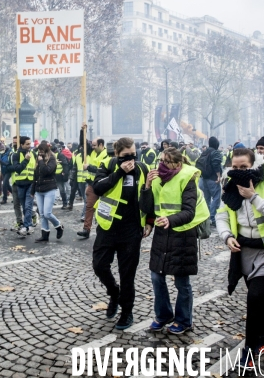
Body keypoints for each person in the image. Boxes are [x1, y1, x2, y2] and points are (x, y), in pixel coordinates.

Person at [216, 148, 264, 368]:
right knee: (258, 298)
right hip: (244, 250)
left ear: (254, 164)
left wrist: (254, 198)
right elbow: (221, 215)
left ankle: (250, 350)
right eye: (235, 167)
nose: (239, 171)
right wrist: (227, 236)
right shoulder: (229, 183)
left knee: (255, 296)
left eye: (244, 167)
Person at [140, 147, 210, 334]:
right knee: (156, 276)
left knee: (181, 282)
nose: (162, 164)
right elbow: (149, 206)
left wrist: (170, 220)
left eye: (167, 161)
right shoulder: (155, 178)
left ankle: (184, 320)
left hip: (183, 234)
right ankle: (163, 315)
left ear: (178, 164)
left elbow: (189, 211)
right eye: (161, 160)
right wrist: (146, 186)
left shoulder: (188, 179)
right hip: (162, 234)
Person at [92, 138, 153, 329]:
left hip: (132, 229)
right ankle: (114, 292)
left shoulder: (143, 168)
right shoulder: (108, 165)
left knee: (127, 274)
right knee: (100, 265)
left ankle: (127, 312)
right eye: (126, 156)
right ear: (117, 154)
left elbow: (150, 195)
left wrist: (150, 221)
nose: (131, 159)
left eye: (133, 154)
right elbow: (98, 188)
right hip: (108, 226)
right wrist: (120, 172)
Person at [31, 143, 64, 242]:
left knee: (47, 213)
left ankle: (58, 226)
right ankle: (45, 234)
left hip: (50, 188)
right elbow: (35, 176)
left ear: (46, 150)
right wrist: (33, 190)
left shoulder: (52, 159)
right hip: (39, 190)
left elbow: (47, 171)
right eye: (39, 151)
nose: (40, 153)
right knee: (41, 214)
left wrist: (41, 162)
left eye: (41, 150)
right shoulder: (39, 159)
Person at [79, 130, 109, 239]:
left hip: (104, 185)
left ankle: (104, 230)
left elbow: (102, 170)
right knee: (89, 206)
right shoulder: (91, 152)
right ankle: (86, 229)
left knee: (105, 208)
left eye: (95, 145)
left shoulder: (107, 155)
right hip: (92, 185)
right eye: (92, 145)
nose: (92, 147)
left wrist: (89, 167)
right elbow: (83, 142)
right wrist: (83, 130)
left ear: (101, 145)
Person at [12, 136, 35, 236]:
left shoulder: (33, 154)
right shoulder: (16, 155)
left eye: (30, 143)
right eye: (27, 144)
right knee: (24, 206)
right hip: (20, 184)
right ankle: (28, 225)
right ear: (21, 145)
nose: (29, 146)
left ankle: (27, 226)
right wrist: (25, 160)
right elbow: (17, 169)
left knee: (28, 206)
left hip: (31, 183)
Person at [196, 136, 223, 227]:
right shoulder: (215, 152)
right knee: (216, 198)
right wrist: (218, 176)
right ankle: (212, 218)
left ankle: (206, 217)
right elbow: (216, 164)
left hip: (203, 178)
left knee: (207, 199)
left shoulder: (204, 152)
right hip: (212, 178)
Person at [55, 144, 71, 210]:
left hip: (60, 176)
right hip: (54, 175)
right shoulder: (50, 155)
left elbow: (65, 165)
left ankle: (65, 203)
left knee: (62, 190)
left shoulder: (60, 155)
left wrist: (65, 173)